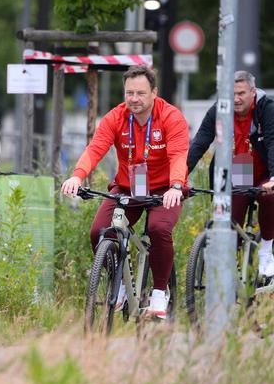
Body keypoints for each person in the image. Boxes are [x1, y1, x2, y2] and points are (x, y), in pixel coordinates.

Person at [61, 65, 189, 320]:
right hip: (127, 188)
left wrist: (176, 185)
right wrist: (77, 175)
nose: (134, 99)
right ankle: (117, 283)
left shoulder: (171, 117)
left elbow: (178, 154)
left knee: (158, 229)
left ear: (154, 92)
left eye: (140, 93)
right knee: (99, 231)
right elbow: (95, 149)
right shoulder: (116, 117)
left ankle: (159, 293)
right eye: (129, 93)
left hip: (165, 190)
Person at [187, 70, 274, 278]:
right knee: (228, 220)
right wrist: (179, 177)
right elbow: (199, 143)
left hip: (263, 170)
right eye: (232, 93)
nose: (236, 99)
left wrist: (273, 178)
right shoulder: (219, 110)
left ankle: (266, 249)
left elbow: (272, 143)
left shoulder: (266, 109)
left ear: (253, 92)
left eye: (241, 93)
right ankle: (231, 272)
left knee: (270, 198)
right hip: (237, 170)